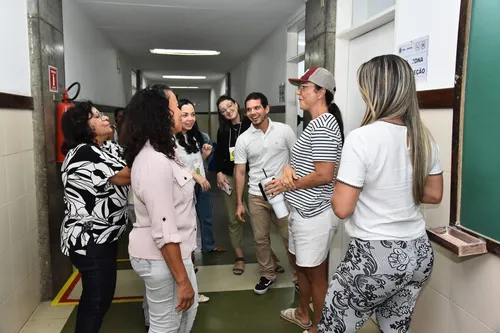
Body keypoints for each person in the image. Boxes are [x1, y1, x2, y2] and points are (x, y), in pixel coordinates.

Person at [318, 55, 443, 333]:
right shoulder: (424, 137)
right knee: (394, 328)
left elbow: (342, 208)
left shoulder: (361, 138)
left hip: (376, 257)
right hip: (418, 254)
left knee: (333, 327)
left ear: (375, 91)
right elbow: (434, 195)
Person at [121, 87, 198, 332]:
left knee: (184, 316)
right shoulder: (154, 160)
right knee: (166, 324)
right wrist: (182, 279)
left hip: (172, 254)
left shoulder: (164, 151)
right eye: (175, 107)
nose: (179, 112)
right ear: (161, 114)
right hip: (162, 258)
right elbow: (164, 228)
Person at [274, 67, 344, 333]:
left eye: (304, 87)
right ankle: (303, 313)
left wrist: (285, 184)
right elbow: (303, 163)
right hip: (302, 211)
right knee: (301, 267)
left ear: (321, 92)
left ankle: (319, 326)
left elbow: (324, 174)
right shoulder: (312, 124)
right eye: (299, 86)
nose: (299, 92)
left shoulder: (325, 125)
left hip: (315, 214)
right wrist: (287, 170)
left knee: (315, 274)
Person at [60, 101, 131, 333]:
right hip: (90, 240)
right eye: (97, 116)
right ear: (85, 126)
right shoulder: (85, 152)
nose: (105, 118)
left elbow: (129, 156)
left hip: (103, 238)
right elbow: (126, 175)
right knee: (96, 301)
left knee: (100, 297)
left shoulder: (104, 147)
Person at [234, 92, 298, 295]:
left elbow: (297, 159)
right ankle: (267, 275)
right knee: (260, 239)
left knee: (289, 236)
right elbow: (241, 170)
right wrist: (239, 202)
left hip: (283, 193)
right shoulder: (243, 139)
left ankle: (299, 276)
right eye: (249, 109)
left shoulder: (284, 131)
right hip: (256, 195)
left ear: (266, 109)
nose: (253, 112)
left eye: (257, 108)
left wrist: (288, 180)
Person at [175, 99, 225, 254]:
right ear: (176, 116)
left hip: (201, 184)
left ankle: (208, 246)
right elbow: (175, 166)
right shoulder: (170, 140)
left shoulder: (198, 136)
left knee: (206, 216)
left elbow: (195, 162)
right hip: (182, 187)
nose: (190, 119)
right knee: (185, 222)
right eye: (184, 115)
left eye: (192, 114)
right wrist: (195, 176)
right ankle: (186, 254)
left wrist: (204, 154)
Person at [215, 95, 252, 275]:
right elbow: (220, 154)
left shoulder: (250, 125)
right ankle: (239, 257)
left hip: (251, 177)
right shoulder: (223, 130)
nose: (228, 111)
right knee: (233, 218)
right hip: (230, 177)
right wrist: (219, 172)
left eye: (230, 106)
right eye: (223, 110)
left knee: (262, 217)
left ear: (236, 104)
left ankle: (270, 257)